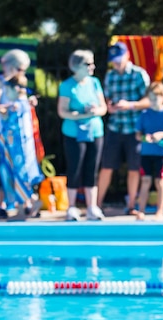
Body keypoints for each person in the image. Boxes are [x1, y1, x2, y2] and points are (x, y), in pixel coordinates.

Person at [0, 48, 43, 219]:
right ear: (10, 65)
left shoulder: (20, 81)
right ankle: (6, 204)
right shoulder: (0, 82)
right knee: (6, 169)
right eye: (20, 68)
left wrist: (28, 102)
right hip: (6, 134)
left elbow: (23, 101)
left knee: (22, 167)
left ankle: (25, 204)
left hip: (21, 136)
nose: (22, 72)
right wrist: (6, 109)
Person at [97, 41, 150, 215]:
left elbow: (149, 101)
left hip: (135, 128)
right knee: (107, 166)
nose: (117, 63)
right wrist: (110, 106)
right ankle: (96, 205)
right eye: (114, 60)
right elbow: (106, 99)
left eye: (119, 59)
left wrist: (131, 105)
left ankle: (131, 205)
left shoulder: (139, 75)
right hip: (115, 127)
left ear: (128, 55)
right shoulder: (110, 76)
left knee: (134, 168)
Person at [57, 49, 107, 221]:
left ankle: (92, 207)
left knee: (92, 168)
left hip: (95, 132)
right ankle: (71, 207)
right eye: (88, 64)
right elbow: (62, 111)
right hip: (73, 133)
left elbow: (103, 108)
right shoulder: (67, 85)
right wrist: (79, 115)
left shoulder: (94, 83)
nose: (92, 67)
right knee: (75, 168)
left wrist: (94, 111)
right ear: (76, 66)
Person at [135, 82, 163, 221]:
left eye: (156, 97)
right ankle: (141, 211)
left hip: (160, 154)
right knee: (145, 181)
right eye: (151, 98)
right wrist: (145, 137)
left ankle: (160, 211)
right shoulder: (144, 114)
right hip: (146, 153)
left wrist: (161, 135)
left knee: (160, 182)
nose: (154, 101)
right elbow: (137, 134)